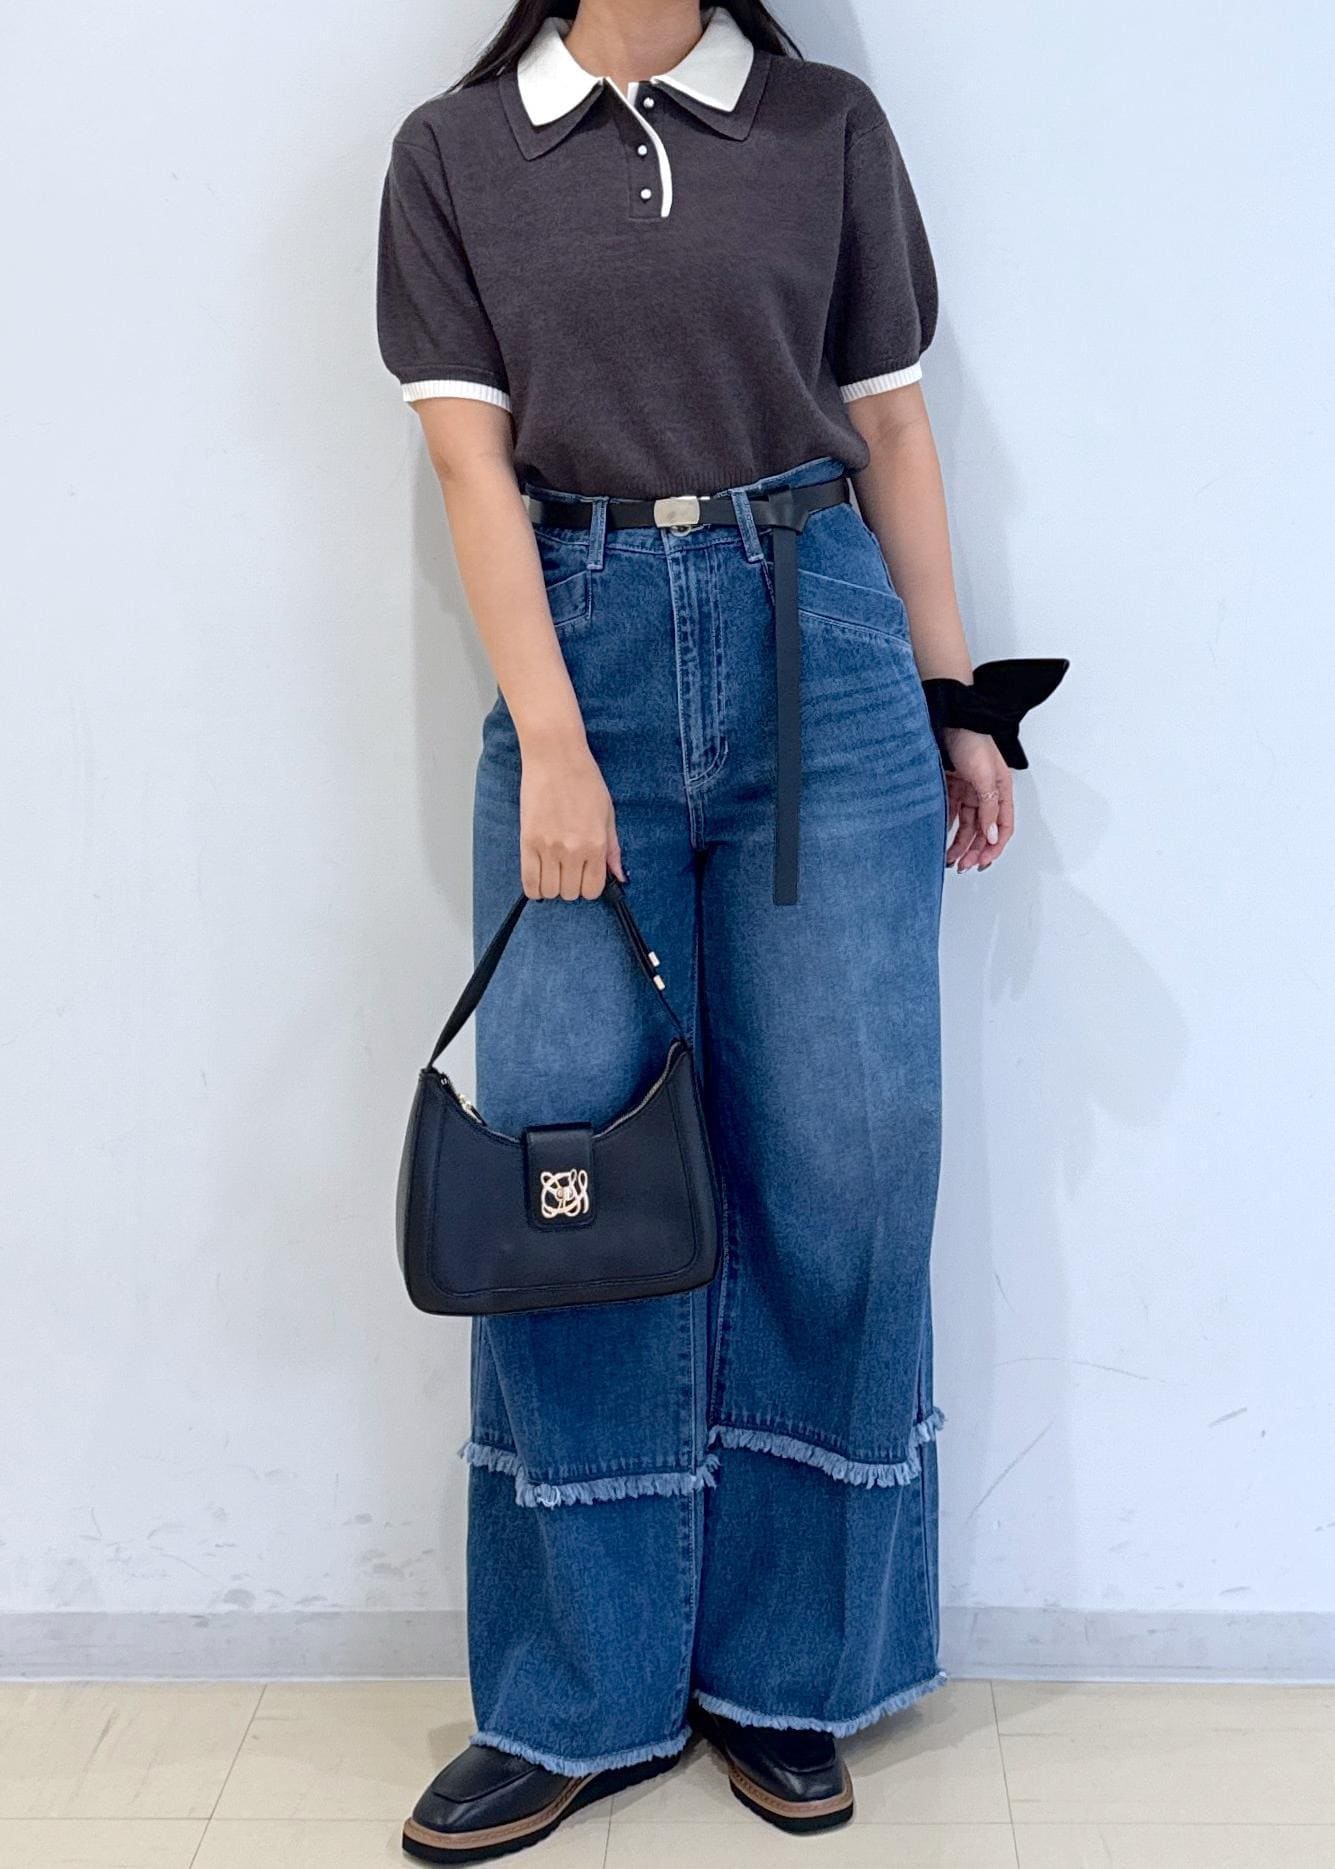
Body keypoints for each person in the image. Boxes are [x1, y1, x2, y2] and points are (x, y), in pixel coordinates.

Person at [377, 2, 1062, 1858]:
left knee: (849, 1160)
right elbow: (469, 464)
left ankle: (790, 1672)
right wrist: (555, 744)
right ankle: (575, 1695)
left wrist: (956, 702)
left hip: (817, 646)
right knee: (568, 1174)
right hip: (578, 653)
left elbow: (891, 422)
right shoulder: (457, 154)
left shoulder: (826, 127)